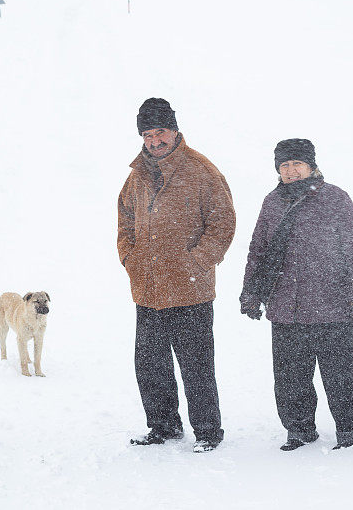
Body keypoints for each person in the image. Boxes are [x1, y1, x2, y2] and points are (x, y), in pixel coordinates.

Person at [240, 138, 353, 451]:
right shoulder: (272, 202)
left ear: (311, 166)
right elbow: (258, 251)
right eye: (285, 166)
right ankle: (300, 430)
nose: (291, 171)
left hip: (332, 304)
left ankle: (350, 430)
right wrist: (250, 293)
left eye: (297, 164)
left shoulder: (335, 198)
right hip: (286, 307)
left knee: (341, 375)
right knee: (290, 379)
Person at [117, 98, 236, 453]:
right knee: (150, 366)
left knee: (196, 366)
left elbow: (223, 222)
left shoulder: (202, 171)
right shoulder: (137, 175)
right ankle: (164, 426)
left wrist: (198, 262)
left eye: (160, 133)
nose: (154, 141)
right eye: (148, 134)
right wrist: (130, 257)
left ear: (175, 131)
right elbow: (125, 218)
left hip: (190, 290)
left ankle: (207, 432)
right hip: (148, 288)